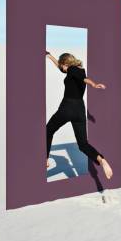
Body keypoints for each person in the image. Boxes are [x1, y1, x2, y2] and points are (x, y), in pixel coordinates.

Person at [45, 51, 113, 179]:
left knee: (48, 130)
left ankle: (45, 158)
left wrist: (93, 84)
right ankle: (101, 159)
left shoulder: (72, 70)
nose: (62, 68)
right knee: (83, 144)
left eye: (63, 65)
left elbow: (83, 79)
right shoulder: (79, 70)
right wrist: (49, 56)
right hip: (80, 110)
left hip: (67, 107)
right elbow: (63, 69)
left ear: (67, 63)